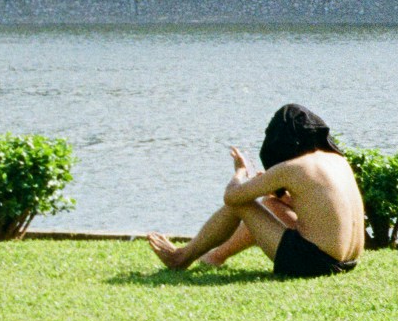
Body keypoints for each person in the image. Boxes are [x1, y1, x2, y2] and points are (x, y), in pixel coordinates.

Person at [148, 103, 367, 279]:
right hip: (348, 261)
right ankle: (214, 257)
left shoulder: (294, 167)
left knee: (241, 204)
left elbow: (232, 197)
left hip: (313, 264)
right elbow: (319, 209)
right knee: (271, 205)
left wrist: (240, 173)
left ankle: (181, 258)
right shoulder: (338, 160)